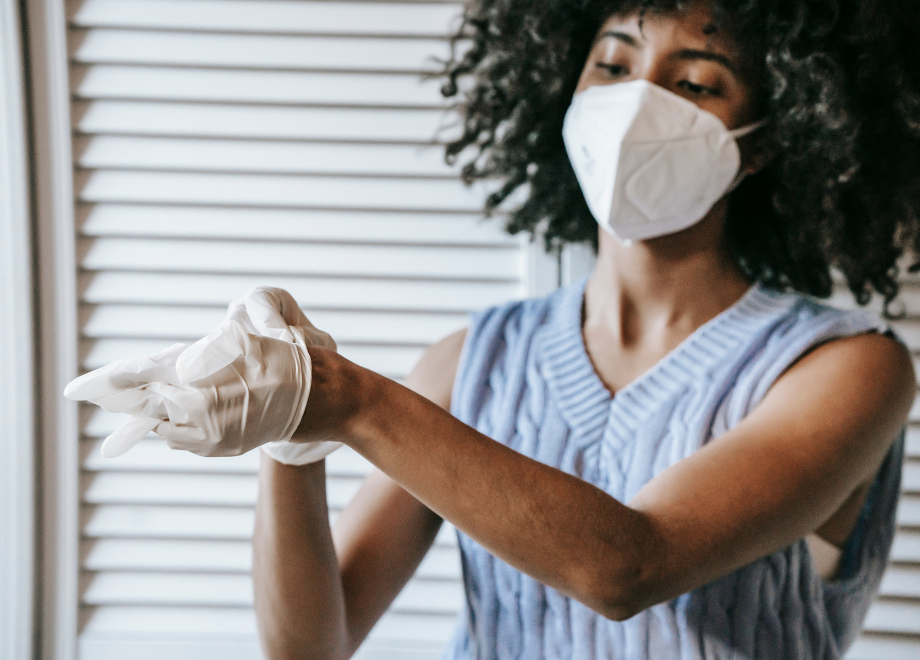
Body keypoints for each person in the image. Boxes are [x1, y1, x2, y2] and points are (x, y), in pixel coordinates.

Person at [64, 0, 920, 658]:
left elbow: (629, 567)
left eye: (696, 82)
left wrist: (346, 402)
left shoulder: (847, 368)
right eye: (613, 65)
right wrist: (292, 443)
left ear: (765, 141)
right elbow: (310, 644)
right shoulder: (473, 361)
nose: (637, 102)